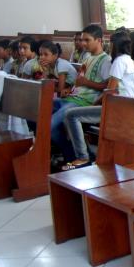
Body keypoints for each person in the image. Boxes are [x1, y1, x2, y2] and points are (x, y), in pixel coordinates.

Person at [61, 32, 134, 170]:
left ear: (115, 44)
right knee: (73, 114)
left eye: (110, 42)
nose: (108, 45)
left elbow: (110, 91)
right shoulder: (127, 59)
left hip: (120, 108)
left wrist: (92, 104)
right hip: (125, 104)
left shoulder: (119, 61)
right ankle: (88, 154)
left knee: (71, 115)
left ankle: (83, 157)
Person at [50, 24, 111, 163]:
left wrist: (85, 83)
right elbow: (79, 81)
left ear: (99, 40)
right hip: (73, 97)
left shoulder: (105, 60)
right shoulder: (87, 58)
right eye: (82, 40)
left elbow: (108, 86)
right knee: (43, 110)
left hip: (85, 102)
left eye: (87, 40)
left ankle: (79, 157)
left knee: (50, 125)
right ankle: (72, 155)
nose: (83, 43)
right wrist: (69, 89)